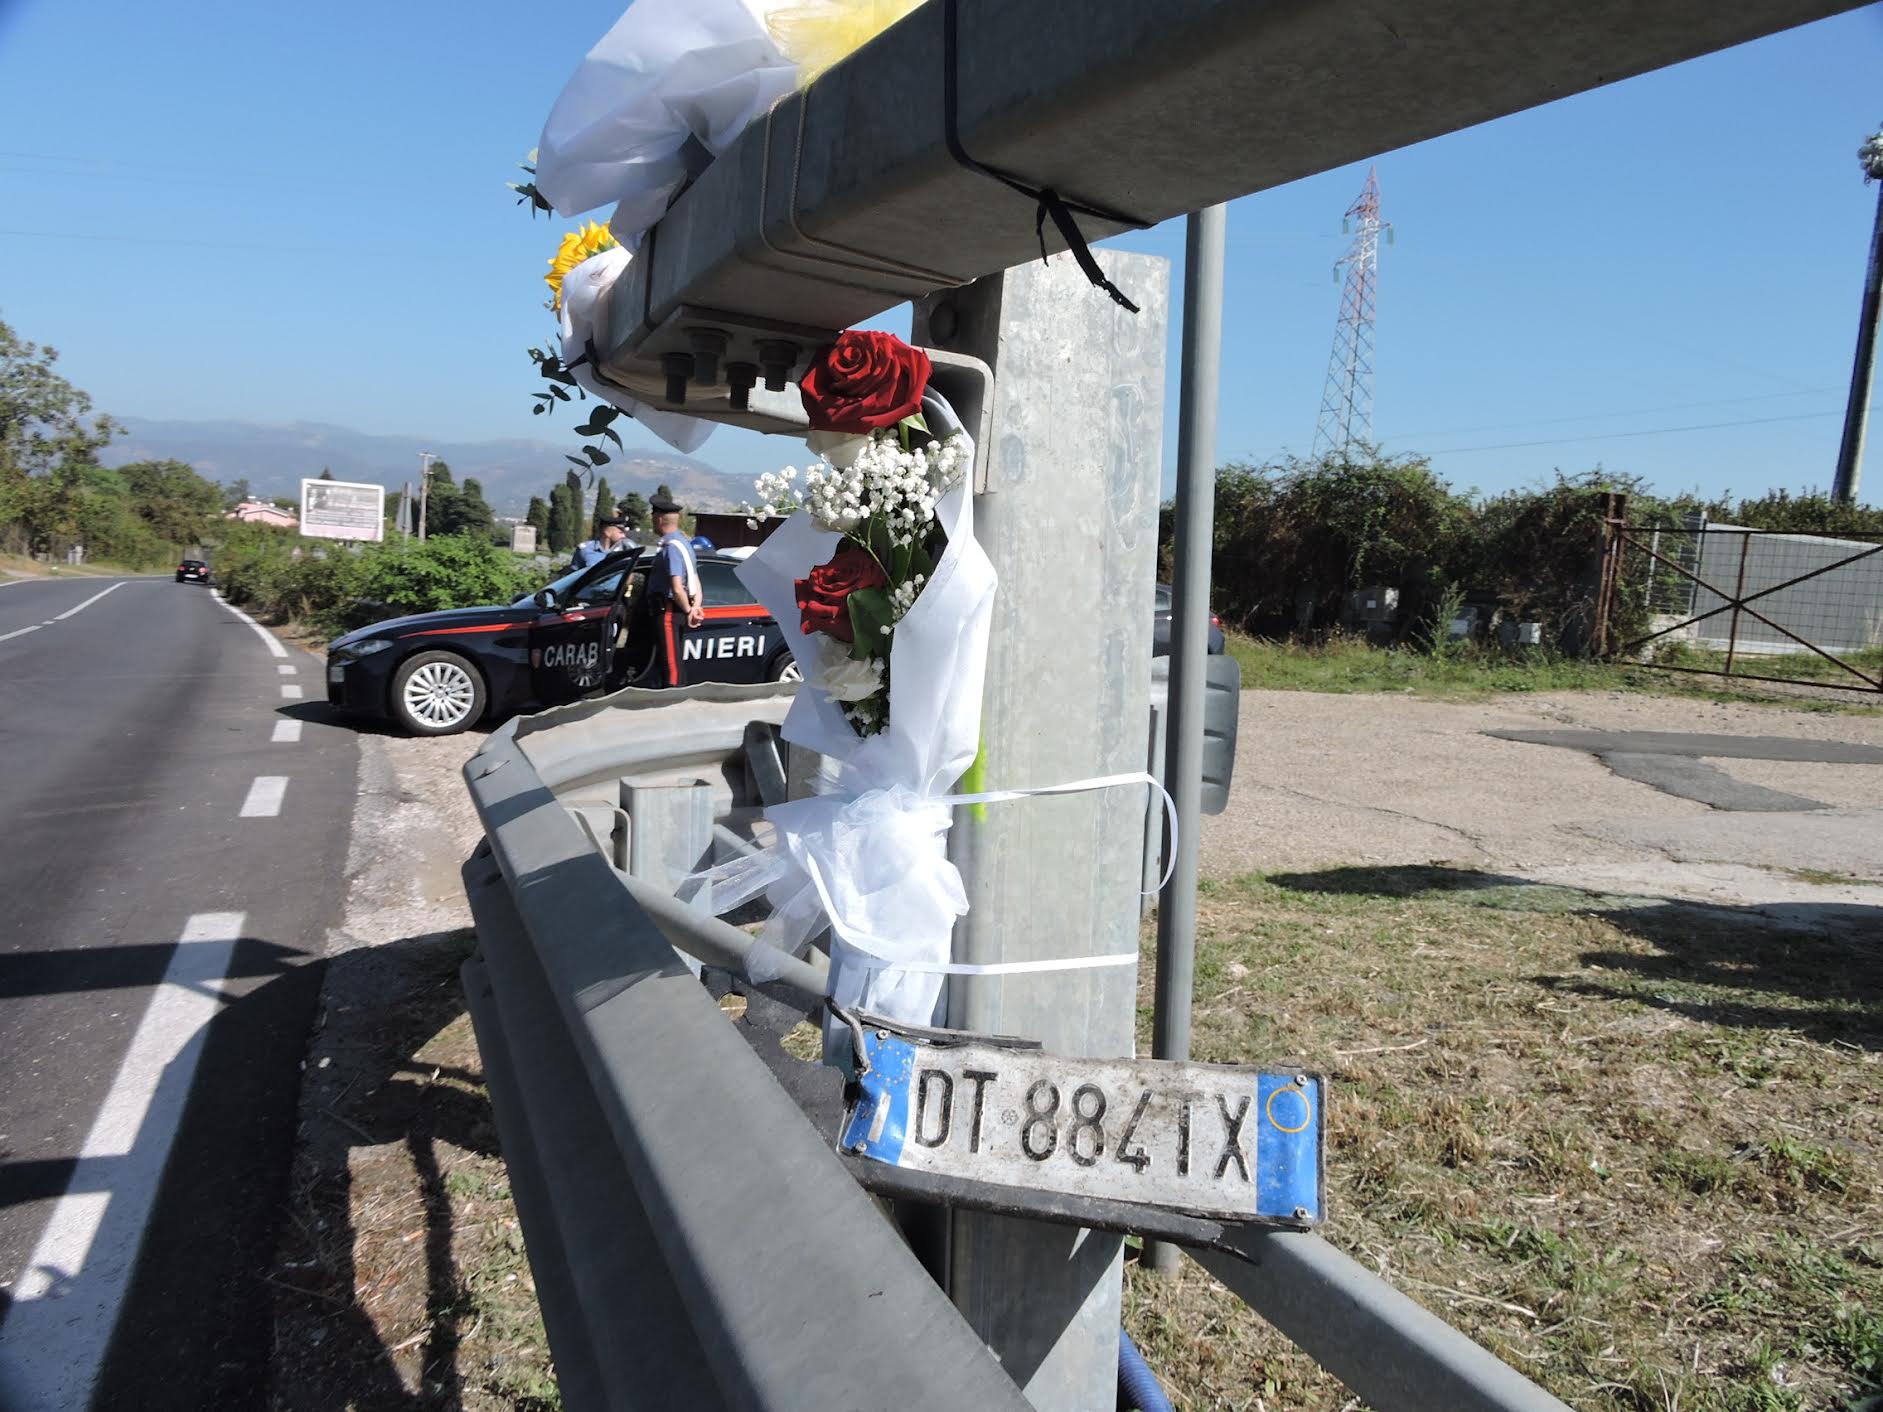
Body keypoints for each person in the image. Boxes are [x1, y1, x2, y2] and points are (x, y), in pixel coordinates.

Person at [649, 493, 703, 685]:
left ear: (660, 519)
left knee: (671, 666)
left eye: (653, 517)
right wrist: (695, 606)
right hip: (679, 608)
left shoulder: (671, 547)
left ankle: (673, 702)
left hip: (669, 610)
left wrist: (689, 611)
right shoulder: (684, 543)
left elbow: (677, 587)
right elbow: (695, 580)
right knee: (675, 661)